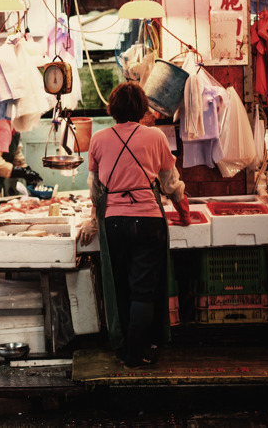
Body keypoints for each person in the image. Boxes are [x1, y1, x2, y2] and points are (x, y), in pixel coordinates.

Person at [81, 82, 188, 369]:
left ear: (112, 109)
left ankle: (126, 346)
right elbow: (170, 184)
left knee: (123, 287)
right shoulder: (155, 137)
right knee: (144, 290)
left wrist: (94, 218)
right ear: (142, 108)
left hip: (114, 222)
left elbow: (95, 191)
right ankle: (135, 352)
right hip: (149, 221)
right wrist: (183, 209)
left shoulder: (99, 140)